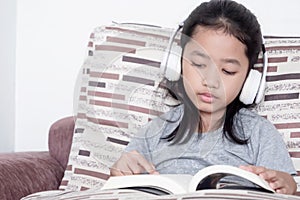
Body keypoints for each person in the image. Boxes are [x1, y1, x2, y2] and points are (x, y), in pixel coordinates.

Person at [110, 0, 297, 195]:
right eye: (199, 64)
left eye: (228, 71)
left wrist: (286, 185)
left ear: (250, 81)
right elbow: (124, 186)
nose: (211, 81)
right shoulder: (154, 132)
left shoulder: (259, 133)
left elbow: (284, 186)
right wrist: (122, 171)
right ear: (176, 64)